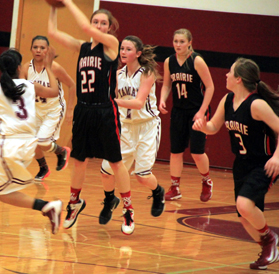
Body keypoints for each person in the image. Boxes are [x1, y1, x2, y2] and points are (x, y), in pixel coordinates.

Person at [48, 0, 135, 235]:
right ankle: (75, 203)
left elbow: (86, 30)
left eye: (103, 23)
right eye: (95, 21)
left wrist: (67, 1)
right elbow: (52, 33)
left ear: (109, 27)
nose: (98, 25)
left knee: (116, 163)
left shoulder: (111, 45)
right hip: (84, 111)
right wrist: (54, 7)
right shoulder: (83, 47)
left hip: (105, 111)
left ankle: (128, 209)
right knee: (79, 160)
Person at [0, 48, 63, 235]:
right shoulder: (30, 86)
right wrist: (48, 67)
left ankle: (48, 206)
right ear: (18, 67)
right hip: (27, 145)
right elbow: (55, 92)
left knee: (5, 195)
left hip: (10, 146)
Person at [193, 58, 279, 270]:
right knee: (243, 217)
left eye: (229, 72)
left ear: (239, 79)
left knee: (243, 204)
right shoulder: (227, 100)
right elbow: (214, 127)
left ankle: (270, 240)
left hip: (263, 163)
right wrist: (203, 126)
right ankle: (268, 249)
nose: (226, 75)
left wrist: (277, 157)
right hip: (240, 163)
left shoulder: (257, 104)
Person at [100, 35, 165, 224]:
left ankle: (157, 191)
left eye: (128, 49)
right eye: (122, 49)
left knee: (142, 176)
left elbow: (137, 103)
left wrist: (111, 101)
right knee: (106, 172)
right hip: (125, 128)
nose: (123, 52)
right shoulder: (118, 75)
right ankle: (110, 199)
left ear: (138, 53)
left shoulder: (147, 73)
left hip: (147, 127)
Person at [159, 28, 214, 202]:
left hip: (196, 110)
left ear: (190, 42)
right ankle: (175, 188)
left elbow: (210, 87)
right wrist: (162, 99)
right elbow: (167, 84)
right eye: (175, 41)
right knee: (175, 151)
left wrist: (201, 111)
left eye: (182, 41)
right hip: (178, 111)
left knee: (197, 153)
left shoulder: (197, 61)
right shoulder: (169, 61)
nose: (178, 45)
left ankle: (206, 181)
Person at [20, 35, 76, 181]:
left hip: (53, 110)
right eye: (35, 47)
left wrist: (70, 109)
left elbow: (72, 85)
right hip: (35, 110)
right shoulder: (26, 68)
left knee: (42, 141)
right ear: (31, 49)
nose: (38, 50)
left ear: (48, 50)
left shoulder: (55, 68)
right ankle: (43, 168)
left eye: (42, 48)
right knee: (31, 141)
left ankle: (62, 151)